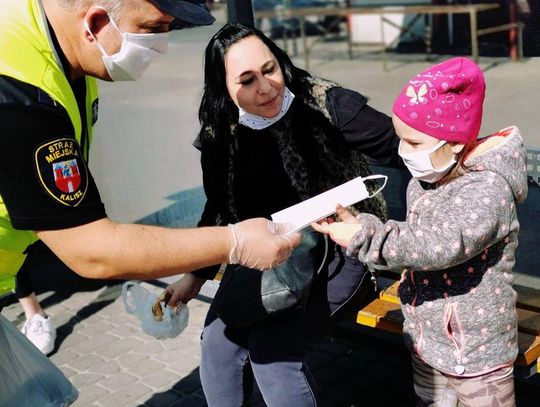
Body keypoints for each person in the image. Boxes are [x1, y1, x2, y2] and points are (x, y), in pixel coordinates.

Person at [0, 0, 301, 308]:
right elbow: (92, 251)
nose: (162, 45)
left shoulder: (63, 48)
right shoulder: (18, 94)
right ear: (95, 24)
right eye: (152, 28)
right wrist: (234, 242)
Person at [165, 23, 401, 407]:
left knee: (272, 355)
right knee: (217, 346)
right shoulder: (219, 132)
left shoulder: (324, 104)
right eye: (247, 80)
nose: (266, 87)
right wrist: (194, 275)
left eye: (270, 69)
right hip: (264, 253)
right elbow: (219, 207)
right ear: (224, 88)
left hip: (339, 250)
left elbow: (406, 148)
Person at [313, 57, 527, 407]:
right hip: (426, 339)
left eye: (413, 143)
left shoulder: (488, 190)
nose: (402, 152)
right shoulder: (427, 179)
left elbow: (440, 246)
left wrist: (365, 238)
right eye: (399, 139)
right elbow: (412, 236)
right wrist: (361, 224)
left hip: (477, 350)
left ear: (456, 141)